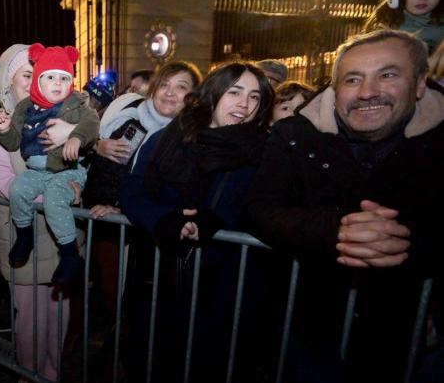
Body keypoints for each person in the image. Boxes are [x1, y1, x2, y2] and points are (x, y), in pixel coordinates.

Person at [244, 29, 444, 382]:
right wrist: (336, 229)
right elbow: (261, 209)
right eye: (353, 79)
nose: (368, 92)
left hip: (408, 329)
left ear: (418, 83)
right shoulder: (293, 135)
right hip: (308, 319)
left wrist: (405, 240)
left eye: (388, 74)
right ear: (336, 89)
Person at [120, 61, 274, 382]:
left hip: (223, 289)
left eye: (255, 97)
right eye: (234, 92)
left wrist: (220, 221)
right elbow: (132, 191)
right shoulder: (168, 137)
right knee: (152, 362)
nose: (244, 104)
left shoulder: (264, 151)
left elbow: (268, 207)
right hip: (161, 277)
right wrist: (162, 219)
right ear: (213, 94)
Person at [81, 61, 202, 335]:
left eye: (181, 87)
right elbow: (108, 174)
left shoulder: (194, 136)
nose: (170, 93)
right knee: (121, 306)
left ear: (193, 96)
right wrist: (116, 205)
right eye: (164, 85)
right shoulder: (131, 122)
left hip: (167, 245)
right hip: (121, 234)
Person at [0, 43, 99, 286]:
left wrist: (75, 136)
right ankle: (24, 235)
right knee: (17, 190)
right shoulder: (24, 107)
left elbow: (92, 123)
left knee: (54, 201)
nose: (57, 83)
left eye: (64, 78)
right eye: (49, 77)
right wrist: (4, 130)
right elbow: (12, 144)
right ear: (38, 81)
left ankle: (70, 255)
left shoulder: (76, 104)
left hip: (66, 170)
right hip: (36, 169)